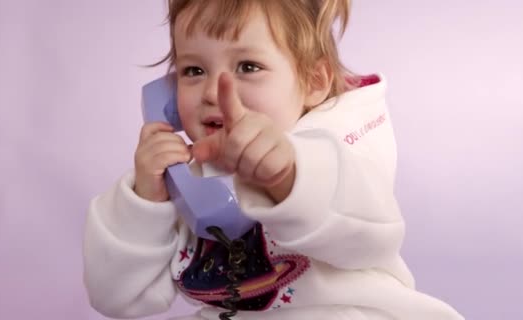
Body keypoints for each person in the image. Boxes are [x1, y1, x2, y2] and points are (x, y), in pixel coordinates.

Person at [83, 1, 464, 319]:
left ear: (313, 81)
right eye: (194, 70)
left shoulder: (337, 149)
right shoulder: (186, 175)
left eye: (248, 66)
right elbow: (116, 298)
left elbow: (371, 238)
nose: (215, 92)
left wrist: (288, 176)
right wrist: (144, 201)